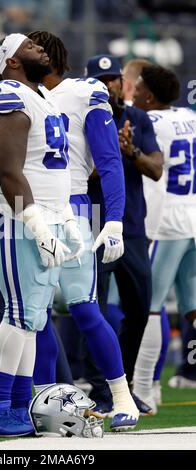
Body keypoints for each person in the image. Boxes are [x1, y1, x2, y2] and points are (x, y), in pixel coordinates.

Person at [27, 30, 139, 431]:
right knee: (33, 316)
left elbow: (109, 160)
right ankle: (41, 402)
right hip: (27, 210)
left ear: (48, 56)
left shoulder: (84, 92)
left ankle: (123, 396)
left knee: (85, 309)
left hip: (73, 207)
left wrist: (113, 219)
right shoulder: (19, 94)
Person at [0, 33, 75, 437]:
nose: (41, 50)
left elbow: (49, 167)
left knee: (31, 319)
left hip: (38, 217)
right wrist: (35, 223)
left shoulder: (40, 96)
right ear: (10, 61)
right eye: (29, 47)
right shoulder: (5, 92)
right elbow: (8, 169)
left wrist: (64, 218)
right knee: (19, 316)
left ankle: (18, 406)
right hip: (15, 218)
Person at [84, 54, 163, 415]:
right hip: (94, 224)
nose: (109, 85)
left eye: (114, 78)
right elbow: (78, 175)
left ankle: (124, 384)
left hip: (131, 227)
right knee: (94, 309)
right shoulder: (81, 117)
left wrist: (129, 152)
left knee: (140, 308)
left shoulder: (138, 118)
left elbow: (156, 168)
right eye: (101, 79)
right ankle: (101, 389)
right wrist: (110, 154)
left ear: (123, 84)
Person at [132, 65, 196, 411]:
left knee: (149, 307)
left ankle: (144, 389)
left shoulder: (152, 123)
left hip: (166, 222)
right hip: (192, 217)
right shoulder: (189, 116)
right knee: (193, 308)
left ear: (151, 96)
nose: (134, 94)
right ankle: (146, 388)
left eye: (138, 89)